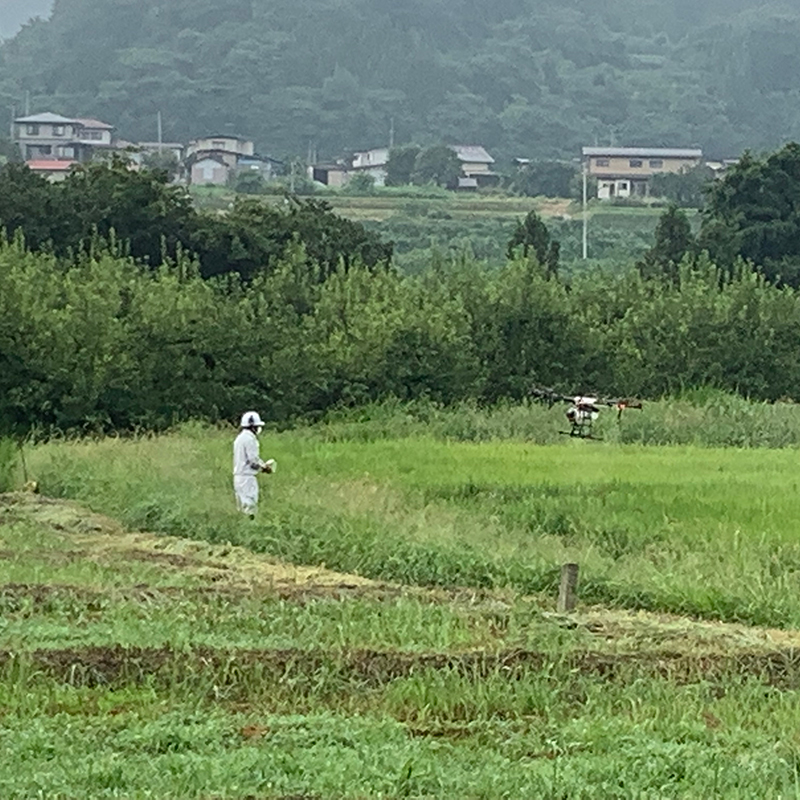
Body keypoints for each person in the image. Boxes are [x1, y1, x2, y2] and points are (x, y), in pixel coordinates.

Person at [232, 411, 275, 517]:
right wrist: (264, 468)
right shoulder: (250, 439)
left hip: (238, 477)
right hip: (247, 477)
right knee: (250, 505)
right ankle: (250, 526)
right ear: (253, 426)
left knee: (241, 506)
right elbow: (253, 460)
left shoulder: (239, 438)